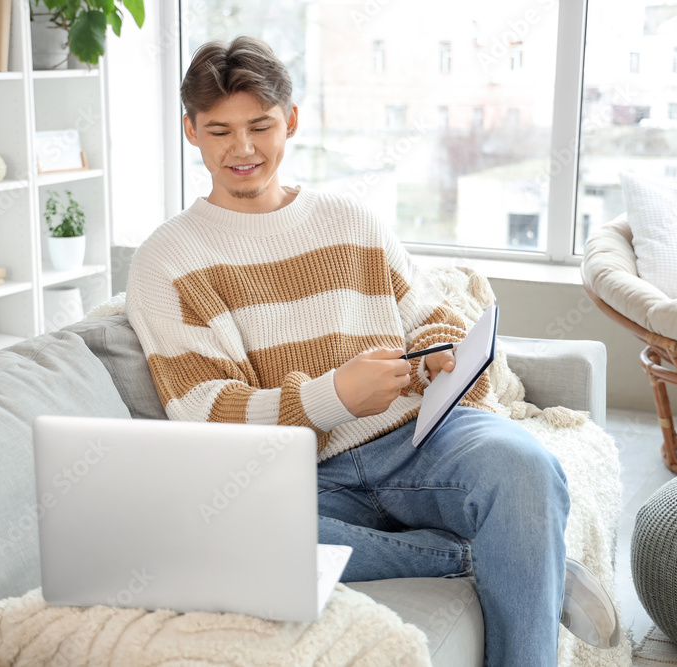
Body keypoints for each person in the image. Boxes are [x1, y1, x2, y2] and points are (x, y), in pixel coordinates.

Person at [126, 35, 620, 666]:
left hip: (418, 440)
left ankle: (520, 557)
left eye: (260, 125)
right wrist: (332, 398)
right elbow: (202, 412)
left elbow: (430, 313)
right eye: (219, 130)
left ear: (292, 121)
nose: (242, 149)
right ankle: (499, 557)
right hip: (297, 476)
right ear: (192, 132)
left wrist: (443, 356)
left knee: (524, 465)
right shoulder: (167, 260)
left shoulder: (350, 220)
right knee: (217, 532)